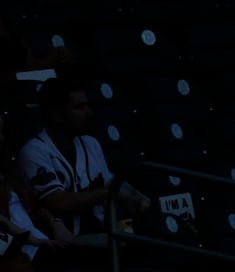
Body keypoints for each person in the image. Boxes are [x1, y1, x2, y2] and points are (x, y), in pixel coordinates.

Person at [18, 78, 148, 239]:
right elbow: (60, 204)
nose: (89, 112)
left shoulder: (90, 143)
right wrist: (111, 191)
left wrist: (135, 202)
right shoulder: (34, 151)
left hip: (101, 237)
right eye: (79, 107)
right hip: (62, 245)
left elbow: (113, 190)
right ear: (56, 114)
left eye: (87, 105)